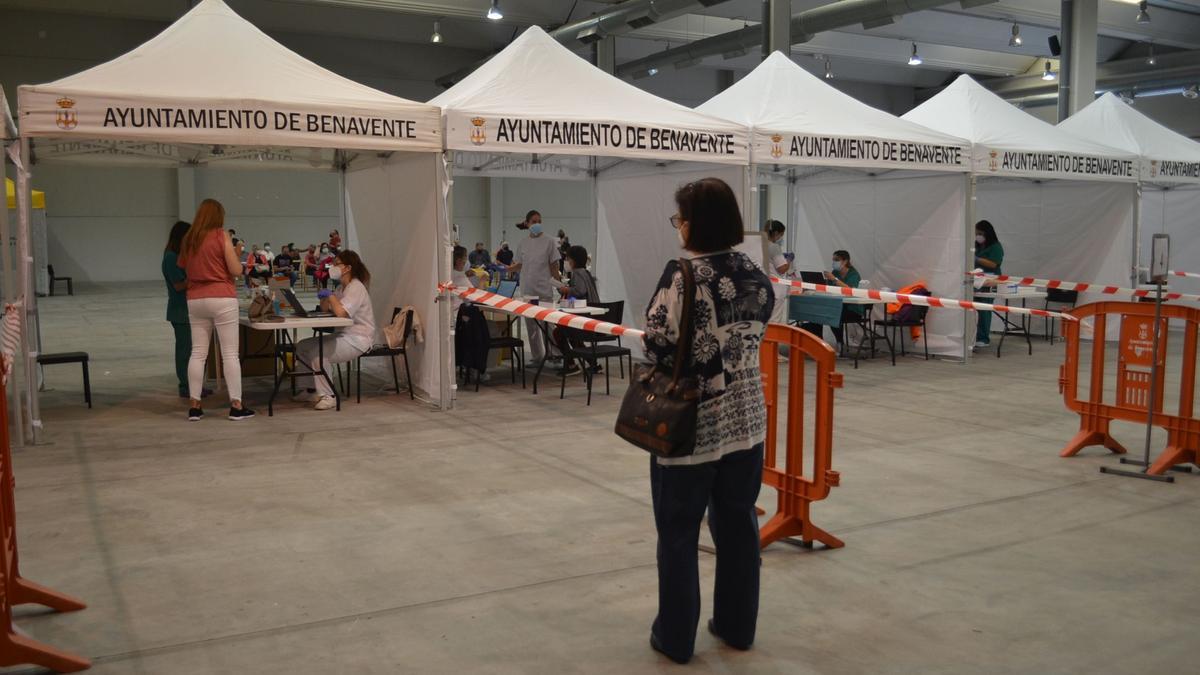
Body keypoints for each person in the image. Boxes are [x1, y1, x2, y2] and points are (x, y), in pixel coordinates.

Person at [642, 178, 773, 665]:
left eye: (681, 218)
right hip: (747, 420)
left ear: (696, 222)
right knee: (738, 526)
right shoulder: (756, 273)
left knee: (678, 533)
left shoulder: (682, 275)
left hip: (690, 426)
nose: (678, 227)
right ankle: (738, 627)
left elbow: (656, 340)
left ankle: (675, 637)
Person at [177, 199, 254, 422]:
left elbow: (183, 267)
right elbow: (235, 269)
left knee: (198, 353)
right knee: (229, 354)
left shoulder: (189, 239)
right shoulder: (221, 236)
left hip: (195, 299)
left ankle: (194, 406)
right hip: (221, 296)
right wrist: (238, 254)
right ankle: (236, 406)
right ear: (218, 216)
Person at [293, 250, 375, 410]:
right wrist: (324, 296)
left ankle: (328, 396)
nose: (333, 267)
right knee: (302, 346)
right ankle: (309, 390)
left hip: (359, 339)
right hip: (344, 335)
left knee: (319, 353)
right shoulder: (341, 288)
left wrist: (330, 296)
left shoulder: (356, 287)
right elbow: (327, 308)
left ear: (347, 268)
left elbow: (341, 312)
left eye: (337, 264)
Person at [162, 220, 210, 399]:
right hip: (180, 311)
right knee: (185, 351)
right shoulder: (171, 258)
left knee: (194, 350)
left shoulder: (180, 255)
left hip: (190, 309)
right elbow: (178, 285)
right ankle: (186, 386)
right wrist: (199, 277)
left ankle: (195, 385)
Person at [511, 221, 561, 364]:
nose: (537, 223)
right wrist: (506, 269)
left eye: (539, 220)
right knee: (532, 326)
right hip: (528, 289)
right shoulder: (523, 242)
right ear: (527, 224)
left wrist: (559, 285)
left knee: (548, 324)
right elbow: (519, 265)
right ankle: (537, 356)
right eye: (534, 221)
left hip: (544, 289)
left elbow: (553, 265)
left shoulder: (549, 241)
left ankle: (555, 354)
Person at [553, 245, 601, 376]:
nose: (567, 262)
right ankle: (592, 362)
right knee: (568, 331)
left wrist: (566, 290)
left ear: (572, 260)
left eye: (568, 259)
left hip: (585, 318)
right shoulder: (586, 273)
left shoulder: (578, 273)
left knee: (560, 332)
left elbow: (579, 291)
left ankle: (570, 364)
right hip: (592, 316)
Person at [973, 219, 1004, 349]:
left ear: (987, 233)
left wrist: (977, 259)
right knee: (973, 309)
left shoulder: (996, 246)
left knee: (984, 310)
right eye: (976, 233)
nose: (978, 236)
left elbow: (993, 264)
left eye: (980, 233)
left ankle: (983, 338)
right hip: (976, 280)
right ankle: (973, 336)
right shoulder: (976, 245)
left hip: (990, 281)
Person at [823, 250, 864, 347]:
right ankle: (833, 342)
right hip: (839, 306)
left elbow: (850, 290)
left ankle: (840, 343)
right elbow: (829, 288)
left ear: (845, 261)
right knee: (825, 313)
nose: (834, 262)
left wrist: (834, 279)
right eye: (833, 260)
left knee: (834, 315)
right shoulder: (835, 272)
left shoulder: (853, 274)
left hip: (853, 309)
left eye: (836, 260)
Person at [764, 220, 790, 325]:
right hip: (776, 289)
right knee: (774, 322)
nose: (781, 238)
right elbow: (781, 269)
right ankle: (771, 341)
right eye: (781, 235)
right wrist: (788, 261)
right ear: (775, 233)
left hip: (763, 288)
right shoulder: (774, 247)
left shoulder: (760, 245)